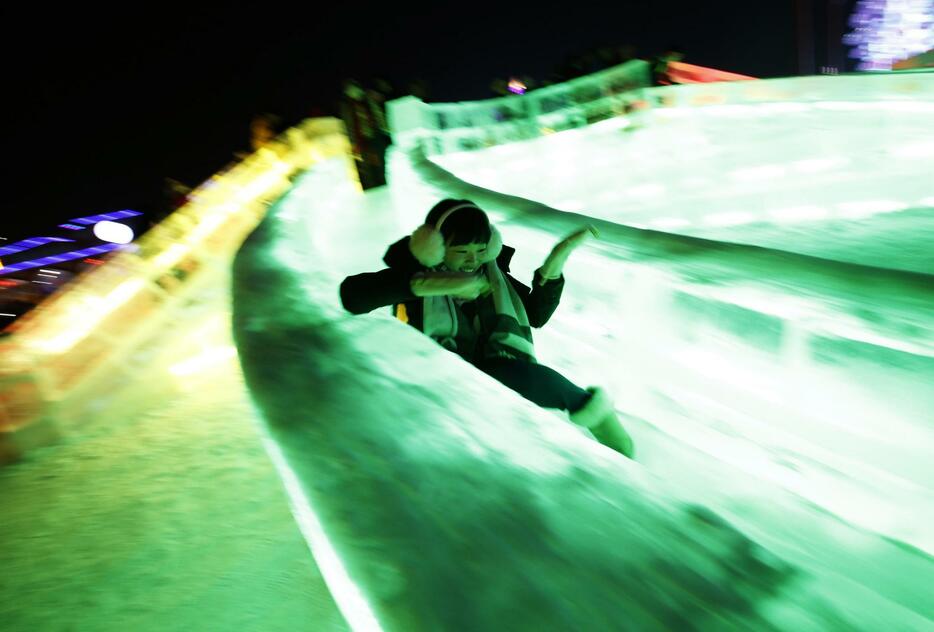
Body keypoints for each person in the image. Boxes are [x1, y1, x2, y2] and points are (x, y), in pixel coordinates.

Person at [339, 199, 634, 458]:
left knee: (539, 380)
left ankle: (617, 445)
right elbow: (353, 296)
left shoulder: (492, 276)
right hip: (437, 385)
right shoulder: (413, 277)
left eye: (481, 249)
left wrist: (555, 262)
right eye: (462, 250)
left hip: (495, 372)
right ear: (434, 247)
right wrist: (432, 285)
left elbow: (536, 314)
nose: (473, 259)